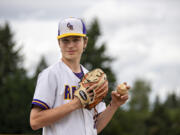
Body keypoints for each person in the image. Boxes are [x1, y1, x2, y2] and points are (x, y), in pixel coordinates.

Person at [30, 17, 129, 135]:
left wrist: (114, 105)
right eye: (65, 40)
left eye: (76, 40)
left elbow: (94, 127)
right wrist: (75, 104)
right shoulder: (50, 75)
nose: (70, 45)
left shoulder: (92, 79)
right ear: (59, 43)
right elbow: (35, 121)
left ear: (85, 42)